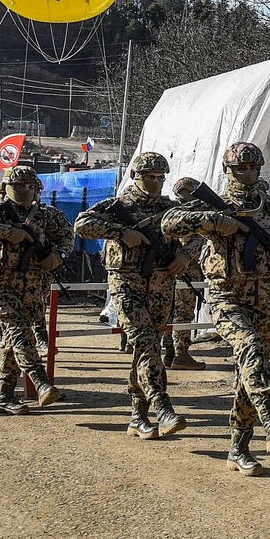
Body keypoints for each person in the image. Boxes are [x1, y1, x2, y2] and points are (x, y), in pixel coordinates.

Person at [162, 143, 270, 476]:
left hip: (266, 302)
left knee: (250, 369)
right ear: (229, 171)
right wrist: (214, 219)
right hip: (226, 297)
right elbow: (170, 222)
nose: (249, 174)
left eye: (254, 167)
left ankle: (238, 446)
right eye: (241, 168)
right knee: (250, 348)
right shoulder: (214, 206)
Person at [75, 152, 195, 440]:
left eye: (159, 178)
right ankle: (162, 407)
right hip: (127, 283)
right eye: (149, 177)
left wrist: (185, 255)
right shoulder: (118, 206)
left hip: (161, 285)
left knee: (147, 348)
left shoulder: (170, 208)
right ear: (135, 177)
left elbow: (197, 232)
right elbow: (82, 224)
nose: (155, 183)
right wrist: (120, 232)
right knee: (144, 342)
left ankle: (138, 416)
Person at [0, 165, 73, 414]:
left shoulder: (47, 215)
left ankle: (5, 396)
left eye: (30, 186)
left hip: (34, 287)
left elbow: (67, 235)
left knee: (18, 341)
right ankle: (41, 382)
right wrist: (8, 232)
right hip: (0, 285)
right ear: (5, 188)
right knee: (19, 332)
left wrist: (58, 255)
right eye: (18, 186)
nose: (24, 190)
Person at [163, 177, 206, 371]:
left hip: (172, 269)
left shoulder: (171, 212)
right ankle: (181, 354)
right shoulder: (190, 216)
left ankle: (171, 351)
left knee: (170, 311)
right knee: (183, 312)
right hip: (187, 271)